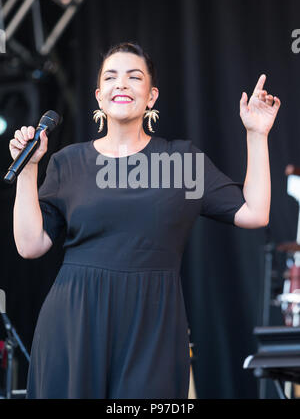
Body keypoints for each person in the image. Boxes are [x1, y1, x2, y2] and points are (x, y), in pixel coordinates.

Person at [10, 42, 281, 399]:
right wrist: (29, 171)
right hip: (74, 320)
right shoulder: (67, 162)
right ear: (99, 95)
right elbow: (30, 245)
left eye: (133, 77)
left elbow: (255, 212)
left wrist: (256, 135)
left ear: (151, 96)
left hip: (152, 322)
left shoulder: (180, 161)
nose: (121, 84)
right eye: (111, 77)